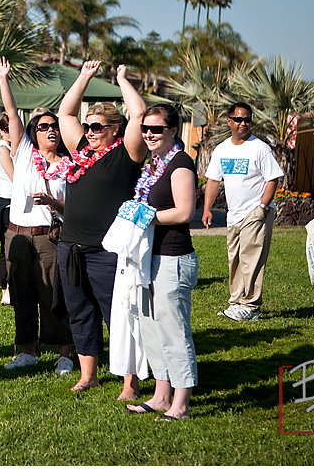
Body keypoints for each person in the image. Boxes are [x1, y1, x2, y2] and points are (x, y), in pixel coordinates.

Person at [56, 60, 147, 398]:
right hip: (72, 246)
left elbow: (138, 114)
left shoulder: (127, 154)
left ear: (114, 129)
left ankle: (130, 381)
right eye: (88, 126)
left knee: (120, 316)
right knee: (80, 311)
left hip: (108, 251)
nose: (90, 131)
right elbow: (65, 114)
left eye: (97, 127)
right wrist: (84, 77)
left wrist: (122, 79)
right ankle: (88, 374)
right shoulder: (81, 151)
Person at [0, 57, 74, 374]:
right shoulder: (24, 151)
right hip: (17, 234)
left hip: (49, 236)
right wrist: (4, 78)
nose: (51, 130)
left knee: (54, 294)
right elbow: (11, 112)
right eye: (44, 126)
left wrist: (53, 202)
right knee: (23, 296)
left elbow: (72, 210)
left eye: (54, 126)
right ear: (33, 133)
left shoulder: (68, 165)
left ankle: (65, 353)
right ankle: (26, 351)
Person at [124, 104, 198, 421]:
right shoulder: (154, 164)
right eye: (145, 128)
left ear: (172, 131)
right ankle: (160, 395)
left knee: (173, 331)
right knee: (150, 328)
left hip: (174, 259)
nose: (149, 134)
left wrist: (147, 216)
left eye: (157, 129)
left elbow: (184, 213)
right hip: (148, 259)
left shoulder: (180, 165)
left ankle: (181, 404)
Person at [202, 102, 283, 321]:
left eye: (247, 119)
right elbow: (212, 180)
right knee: (235, 258)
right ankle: (236, 302)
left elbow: (273, 178)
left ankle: (251, 306)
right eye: (238, 119)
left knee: (252, 259)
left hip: (255, 213)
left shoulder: (260, 148)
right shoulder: (222, 149)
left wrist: (262, 207)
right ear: (229, 121)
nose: (243, 123)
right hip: (234, 214)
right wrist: (207, 208)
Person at [0, 112, 14, 306]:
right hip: (6, 201)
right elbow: (15, 177)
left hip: (8, 200)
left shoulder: (9, 147)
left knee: (9, 248)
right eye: (7, 130)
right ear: (1, 131)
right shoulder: (3, 148)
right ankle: (5, 288)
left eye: (12, 129)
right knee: (7, 249)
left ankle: (8, 287)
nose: (10, 133)